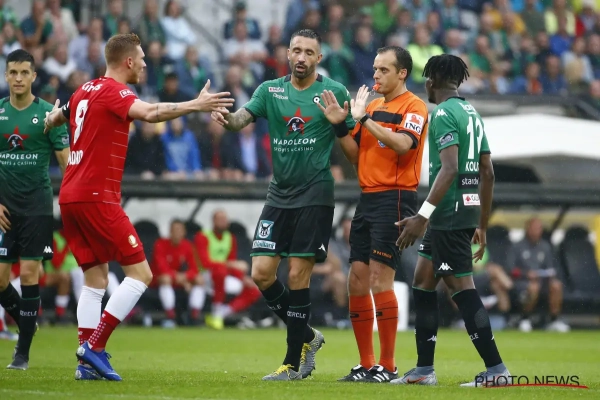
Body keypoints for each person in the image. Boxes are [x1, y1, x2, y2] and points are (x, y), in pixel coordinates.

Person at [43, 33, 234, 381]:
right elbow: (152, 112)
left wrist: (51, 118)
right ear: (128, 61)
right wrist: (196, 105)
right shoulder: (116, 92)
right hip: (97, 195)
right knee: (141, 274)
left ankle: (86, 365)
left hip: (69, 195)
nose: (145, 64)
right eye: (142, 59)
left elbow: (59, 116)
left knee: (95, 279)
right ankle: (94, 346)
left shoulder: (83, 90)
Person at [211, 29, 356, 381]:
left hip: (315, 194)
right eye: (296, 50)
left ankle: (292, 364)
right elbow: (240, 120)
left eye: (309, 52)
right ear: (287, 54)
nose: (302, 57)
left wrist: (341, 125)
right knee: (261, 272)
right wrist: (224, 117)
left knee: (296, 275)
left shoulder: (334, 92)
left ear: (319, 58)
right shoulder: (269, 90)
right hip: (279, 194)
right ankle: (308, 335)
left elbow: (354, 147)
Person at [393, 54, 510, 387]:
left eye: (426, 81)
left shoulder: (443, 113)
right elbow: (488, 172)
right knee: (423, 280)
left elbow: (450, 168)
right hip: (462, 211)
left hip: (448, 214)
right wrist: (482, 224)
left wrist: (422, 217)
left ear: (432, 82)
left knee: (461, 287)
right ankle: (423, 370)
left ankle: (497, 370)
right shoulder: (472, 113)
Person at [326, 46, 429, 383]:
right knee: (356, 279)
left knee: (379, 279)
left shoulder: (414, 107)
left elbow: (403, 145)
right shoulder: (371, 106)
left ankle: (388, 365)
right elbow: (356, 156)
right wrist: (340, 127)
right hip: (367, 197)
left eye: (384, 70)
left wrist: (364, 120)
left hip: (395, 197)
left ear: (402, 73)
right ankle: (366, 364)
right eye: (374, 69)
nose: (376, 75)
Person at [0, 49, 70, 370]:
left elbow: (66, 165)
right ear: (6, 75)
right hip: (5, 210)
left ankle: (22, 352)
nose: (18, 78)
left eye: (24, 73)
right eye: (13, 72)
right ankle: (27, 321)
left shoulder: (48, 115)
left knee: (29, 274)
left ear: (33, 76)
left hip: (37, 208)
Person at [194, 210, 261, 330]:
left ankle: (220, 314)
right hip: (205, 275)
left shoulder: (230, 238)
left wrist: (242, 278)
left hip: (223, 275)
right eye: (220, 219)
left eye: (225, 219)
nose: (223, 222)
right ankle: (216, 308)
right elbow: (205, 263)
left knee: (253, 289)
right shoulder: (203, 236)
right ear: (213, 221)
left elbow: (231, 261)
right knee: (220, 271)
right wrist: (230, 265)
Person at [508, 217, 570, 333]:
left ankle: (554, 320)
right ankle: (525, 319)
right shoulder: (517, 246)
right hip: (522, 282)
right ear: (528, 229)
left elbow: (551, 268)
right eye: (535, 228)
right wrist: (526, 274)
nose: (537, 231)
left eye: (539, 228)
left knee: (556, 285)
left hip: (543, 281)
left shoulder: (545, 246)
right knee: (533, 287)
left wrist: (549, 274)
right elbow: (511, 270)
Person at [152, 219, 206, 328]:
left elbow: (194, 268)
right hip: (160, 280)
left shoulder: (188, 246)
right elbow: (162, 268)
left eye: (179, 230)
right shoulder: (160, 244)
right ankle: (171, 316)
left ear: (184, 232)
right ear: (170, 231)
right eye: (174, 230)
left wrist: (185, 277)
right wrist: (182, 279)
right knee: (166, 278)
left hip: (180, 281)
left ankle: (194, 316)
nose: (177, 232)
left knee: (199, 279)